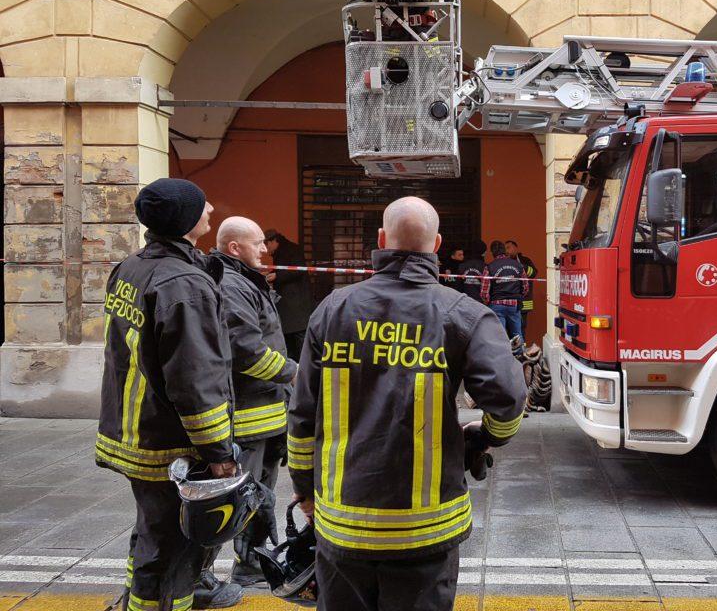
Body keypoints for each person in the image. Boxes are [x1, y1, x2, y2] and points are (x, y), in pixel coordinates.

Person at [288, 197, 526, 611]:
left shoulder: (332, 309)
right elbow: (508, 397)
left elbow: (302, 416)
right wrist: (487, 436)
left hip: (344, 527)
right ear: (436, 245)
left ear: (381, 240)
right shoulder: (464, 314)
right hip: (426, 532)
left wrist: (304, 492)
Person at [96, 178, 242, 611]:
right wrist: (218, 451)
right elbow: (195, 381)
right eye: (202, 205)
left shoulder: (131, 267)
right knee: (174, 551)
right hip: (168, 445)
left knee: (151, 530)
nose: (211, 207)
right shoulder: (184, 285)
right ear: (184, 221)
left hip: (132, 432)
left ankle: (134, 599)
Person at [209, 217, 298, 588]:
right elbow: (247, 351)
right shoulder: (232, 287)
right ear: (234, 248)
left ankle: (251, 564)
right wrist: (294, 373)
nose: (265, 249)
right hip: (247, 416)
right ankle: (199, 571)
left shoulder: (244, 281)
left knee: (257, 494)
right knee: (234, 498)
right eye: (258, 243)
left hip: (265, 413)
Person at [263, 229, 314, 362]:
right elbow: (286, 269)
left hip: (296, 305)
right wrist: (273, 272)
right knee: (292, 339)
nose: (266, 249)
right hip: (290, 306)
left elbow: (298, 270)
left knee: (299, 340)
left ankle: (301, 368)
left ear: (274, 241)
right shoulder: (283, 250)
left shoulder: (291, 249)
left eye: (267, 245)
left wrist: (276, 275)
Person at [481, 240, 529, 355]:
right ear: (504, 251)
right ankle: (521, 361)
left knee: (499, 336)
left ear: (492, 253)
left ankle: (501, 361)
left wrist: (489, 302)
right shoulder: (518, 265)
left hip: (496, 305)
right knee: (517, 335)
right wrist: (517, 297)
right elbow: (525, 287)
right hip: (514, 305)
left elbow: (484, 292)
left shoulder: (490, 267)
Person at [504, 240, 538, 333]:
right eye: (505, 248)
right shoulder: (504, 262)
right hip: (509, 300)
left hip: (524, 301)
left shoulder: (525, 260)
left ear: (516, 248)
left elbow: (534, 273)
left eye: (508, 247)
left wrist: (521, 266)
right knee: (508, 327)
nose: (506, 250)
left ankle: (521, 346)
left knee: (521, 327)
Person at [457, 239, 487, 304]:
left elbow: (458, 286)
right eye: (485, 251)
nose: (486, 253)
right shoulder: (485, 267)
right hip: (481, 303)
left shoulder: (462, 266)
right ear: (482, 252)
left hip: (465, 301)